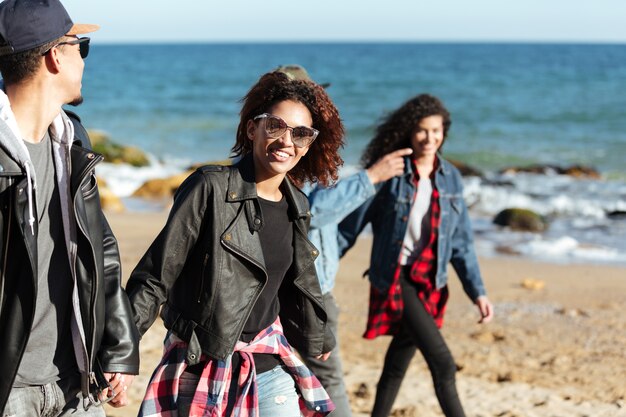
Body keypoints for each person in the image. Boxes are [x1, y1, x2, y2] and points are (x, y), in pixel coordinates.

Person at [126, 70, 345, 417]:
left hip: (270, 362)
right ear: (252, 128)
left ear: (309, 144)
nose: (287, 141)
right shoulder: (209, 188)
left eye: (301, 134)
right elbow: (156, 275)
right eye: (276, 126)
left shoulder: (297, 205)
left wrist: (316, 336)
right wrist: (122, 351)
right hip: (202, 362)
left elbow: (293, 282)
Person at [0, 0, 140, 415]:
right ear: (54, 56)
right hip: (10, 392)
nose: (84, 57)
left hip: (75, 383)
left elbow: (101, 247)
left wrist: (119, 349)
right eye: (81, 45)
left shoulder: (72, 142)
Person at [338, 94, 494, 417]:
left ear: (444, 133)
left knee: (398, 362)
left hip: (430, 280)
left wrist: (477, 292)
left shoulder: (450, 177)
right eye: (422, 130)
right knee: (444, 364)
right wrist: (317, 267)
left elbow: (461, 243)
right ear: (410, 132)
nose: (429, 138)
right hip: (397, 278)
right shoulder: (391, 172)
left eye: (436, 131)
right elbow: (350, 226)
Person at [275, 64, 412, 417]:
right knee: (323, 380)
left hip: (312, 287)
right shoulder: (285, 151)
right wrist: (371, 177)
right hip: (301, 289)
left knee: (302, 379)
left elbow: (330, 224)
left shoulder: (299, 147)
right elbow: (313, 213)